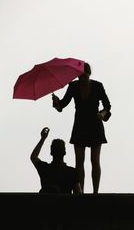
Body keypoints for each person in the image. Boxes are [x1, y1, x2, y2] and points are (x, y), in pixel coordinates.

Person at [52, 62, 111, 194]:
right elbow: (62, 106)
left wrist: (102, 113)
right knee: (79, 161)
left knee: (95, 160)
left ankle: (96, 192)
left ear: (89, 74)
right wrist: (56, 103)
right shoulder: (73, 86)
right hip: (79, 125)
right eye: (80, 77)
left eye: (84, 76)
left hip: (95, 123)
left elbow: (107, 106)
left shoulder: (98, 86)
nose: (82, 79)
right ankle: (81, 193)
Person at [30, 127, 82, 194]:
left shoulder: (45, 169)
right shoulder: (72, 172)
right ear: (65, 152)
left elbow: (33, 157)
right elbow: (78, 192)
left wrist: (43, 138)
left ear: (51, 152)